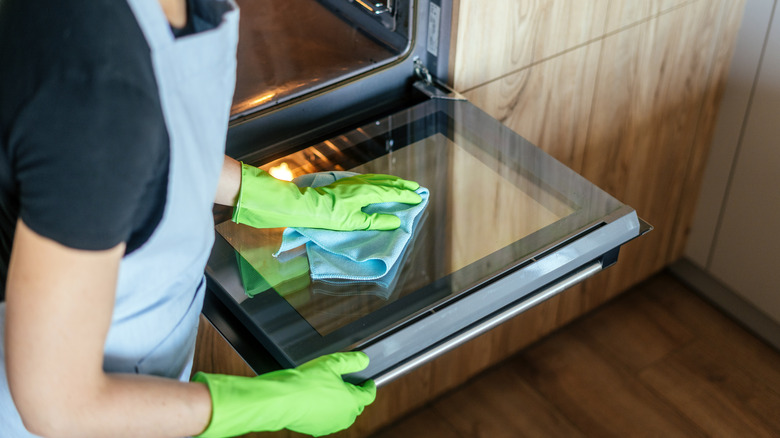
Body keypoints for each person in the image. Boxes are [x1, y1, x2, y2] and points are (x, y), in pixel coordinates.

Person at [0, 0, 422, 436]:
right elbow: (60, 407)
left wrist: (290, 202)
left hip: (147, 376)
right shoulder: (92, 87)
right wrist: (275, 405)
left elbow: (160, 143)